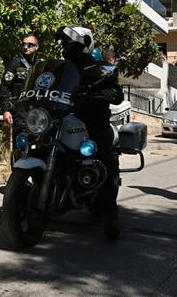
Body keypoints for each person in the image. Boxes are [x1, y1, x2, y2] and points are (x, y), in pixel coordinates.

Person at [55, 26, 124, 240]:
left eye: (71, 44)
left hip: (93, 121)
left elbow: (118, 93)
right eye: (64, 44)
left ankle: (111, 214)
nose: (66, 47)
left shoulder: (100, 66)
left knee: (104, 157)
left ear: (85, 44)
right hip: (63, 118)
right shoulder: (61, 68)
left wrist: (110, 92)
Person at [0, 33, 41, 127]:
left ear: (36, 47)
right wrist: (5, 110)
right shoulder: (14, 64)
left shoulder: (40, 65)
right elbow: (4, 88)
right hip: (20, 112)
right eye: (23, 44)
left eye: (29, 45)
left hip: (37, 112)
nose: (25, 47)